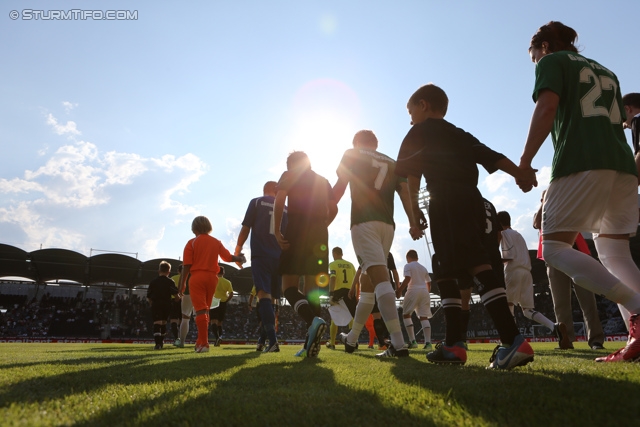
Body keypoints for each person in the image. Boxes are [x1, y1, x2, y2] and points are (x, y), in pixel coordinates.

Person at [520, 21, 640, 362]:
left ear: (543, 46)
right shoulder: (608, 72)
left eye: (533, 56)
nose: (535, 62)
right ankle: (637, 331)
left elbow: (546, 107)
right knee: (616, 254)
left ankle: (637, 309)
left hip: (582, 161)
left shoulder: (551, 61)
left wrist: (526, 160)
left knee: (555, 248)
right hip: (621, 163)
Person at [396, 83, 535, 369]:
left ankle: (513, 340)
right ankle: (454, 345)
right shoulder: (459, 133)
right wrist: (519, 173)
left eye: (411, 111)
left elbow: (410, 177)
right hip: (472, 199)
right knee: (446, 269)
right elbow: (492, 156)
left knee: (473, 265)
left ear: (423, 105)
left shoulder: (418, 132)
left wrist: (414, 214)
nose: (410, 119)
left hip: (445, 201)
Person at [333, 129, 415, 358]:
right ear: (376, 144)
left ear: (357, 142)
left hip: (363, 221)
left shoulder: (352, 153)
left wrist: (326, 208)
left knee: (380, 281)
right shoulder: (392, 162)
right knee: (368, 287)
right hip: (387, 225)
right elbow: (405, 192)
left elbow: (341, 184)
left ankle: (398, 343)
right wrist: (413, 222)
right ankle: (351, 339)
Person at [273, 151, 337, 358]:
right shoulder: (323, 180)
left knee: (289, 288)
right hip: (319, 235)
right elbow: (333, 208)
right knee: (311, 291)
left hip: (297, 229)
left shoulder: (290, 174)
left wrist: (276, 229)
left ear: (291, 164)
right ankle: (311, 345)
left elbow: (280, 197)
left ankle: (313, 322)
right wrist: (323, 225)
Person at [533, 192, 606, 350]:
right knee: (560, 303)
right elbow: (536, 223)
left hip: (577, 255)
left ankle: (595, 340)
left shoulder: (569, 208)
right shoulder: (543, 213)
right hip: (554, 260)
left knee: (588, 301)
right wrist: (543, 203)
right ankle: (566, 340)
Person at [497, 211, 569, 347]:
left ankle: (511, 339)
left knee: (508, 305)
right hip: (526, 272)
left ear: (499, 222)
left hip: (514, 270)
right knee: (527, 311)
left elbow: (509, 255)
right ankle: (554, 327)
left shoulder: (505, 234)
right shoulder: (519, 235)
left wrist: (494, 261)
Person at [178, 216, 245, 353]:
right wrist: (240, 258)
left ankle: (204, 344)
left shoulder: (191, 243)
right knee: (206, 310)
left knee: (201, 311)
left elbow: (186, 266)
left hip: (197, 277)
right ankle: (200, 341)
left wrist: (182, 285)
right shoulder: (216, 242)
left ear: (194, 228)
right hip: (212, 278)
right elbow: (227, 257)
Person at [235, 181, 286, 353]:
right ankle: (261, 341)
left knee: (263, 295)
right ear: (277, 190)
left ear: (264, 190)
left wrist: (238, 250)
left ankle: (272, 342)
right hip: (279, 257)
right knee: (272, 299)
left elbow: (246, 228)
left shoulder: (256, 202)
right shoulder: (285, 207)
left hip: (261, 255)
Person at [396, 249, 432, 350]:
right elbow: (428, 282)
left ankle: (413, 341)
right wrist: (426, 293)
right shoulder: (423, 268)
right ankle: (428, 343)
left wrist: (399, 290)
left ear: (408, 257)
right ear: (417, 257)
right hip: (424, 292)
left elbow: (407, 278)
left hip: (413, 290)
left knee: (406, 314)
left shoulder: (408, 266)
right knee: (424, 317)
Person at [326, 246, 357, 349]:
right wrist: (356, 294)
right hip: (350, 292)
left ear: (334, 254)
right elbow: (356, 281)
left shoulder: (333, 264)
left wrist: (331, 294)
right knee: (353, 317)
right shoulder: (351, 265)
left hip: (338, 292)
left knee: (334, 318)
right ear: (342, 254)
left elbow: (333, 278)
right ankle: (353, 341)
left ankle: (332, 343)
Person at [147, 261, 179, 350]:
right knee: (164, 323)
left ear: (159, 271)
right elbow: (176, 295)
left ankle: (157, 344)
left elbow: (149, 296)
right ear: (169, 272)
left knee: (157, 323)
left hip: (156, 304)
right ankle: (161, 342)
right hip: (167, 304)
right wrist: (177, 299)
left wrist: (151, 304)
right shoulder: (170, 281)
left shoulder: (153, 282)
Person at [209, 266, 233, 347]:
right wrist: (226, 300)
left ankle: (217, 337)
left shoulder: (212, 280)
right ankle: (220, 337)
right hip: (223, 302)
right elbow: (231, 293)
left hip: (214, 301)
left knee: (213, 321)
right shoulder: (227, 282)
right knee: (220, 323)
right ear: (223, 273)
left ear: (216, 272)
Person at [168, 267, 183, 346]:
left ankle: (177, 339)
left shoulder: (173, 278)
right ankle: (182, 339)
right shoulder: (186, 279)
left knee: (173, 320)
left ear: (178, 271)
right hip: (184, 300)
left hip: (174, 300)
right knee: (182, 321)